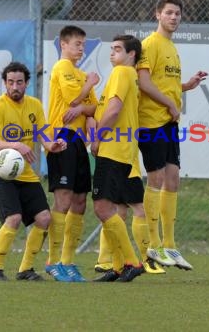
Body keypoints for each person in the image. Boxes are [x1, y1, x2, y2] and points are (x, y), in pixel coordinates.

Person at [137, 0, 208, 271]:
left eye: (177, 13)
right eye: (169, 13)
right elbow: (143, 82)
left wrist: (186, 86)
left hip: (168, 123)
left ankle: (170, 245)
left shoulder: (171, 47)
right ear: (158, 15)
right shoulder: (149, 44)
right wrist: (168, 103)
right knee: (155, 177)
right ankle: (153, 246)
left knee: (173, 178)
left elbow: (164, 85)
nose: (174, 17)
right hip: (151, 122)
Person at [0, 61, 67, 281]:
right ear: (5, 83)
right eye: (10, 82)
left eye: (19, 82)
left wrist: (53, 145)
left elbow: (44, 137)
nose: (15, 87)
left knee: (44, 218)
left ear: (27, 83)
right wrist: (17, 145)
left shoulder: (35, 105)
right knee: (14, 218)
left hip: (24, 172)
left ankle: (25, 270)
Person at [45, 25, 99, 282]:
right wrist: (89, 85)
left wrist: (83, 107)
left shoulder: (79, 73)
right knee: (63, 201)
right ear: (63, 45)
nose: (81, 48)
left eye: (83, 44)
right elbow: (73, 100)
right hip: (62, 138)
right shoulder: (62, 68)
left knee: (79, 202)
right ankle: (53, 261)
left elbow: (93, 108)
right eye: (77, 43)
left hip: (79, 142)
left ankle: (68, 261)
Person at [91, 34, 144, 282]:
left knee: (102, 207)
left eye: (117, 49)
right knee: (113, 209)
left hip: (113, 150)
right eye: (111, 49)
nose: (112, 53)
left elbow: (113, 110)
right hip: (123, 152)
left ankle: (131, 262)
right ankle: (118, 265)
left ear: (131, 54)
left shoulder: (122, 73)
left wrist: (98, 138)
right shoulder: (128, 75)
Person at [94, 155, 165, 275]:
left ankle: (104, 260)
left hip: (117, 164)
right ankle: (147, 259)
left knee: (118, 212)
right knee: (140, 210)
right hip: (127, 165)